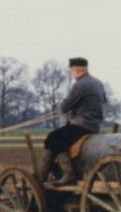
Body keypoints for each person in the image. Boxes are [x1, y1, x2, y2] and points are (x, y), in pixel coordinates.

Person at [39, 57, 107, 186]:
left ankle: (61, 175)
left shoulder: (80, 85)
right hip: (96, 125)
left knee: (52, 138)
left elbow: (65, 107)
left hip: (81, 125)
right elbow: (102, 102)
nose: (71, 73)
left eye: (71, 70)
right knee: (57, 137)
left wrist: (63, 108)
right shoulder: (98, 83)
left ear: (76, 70)